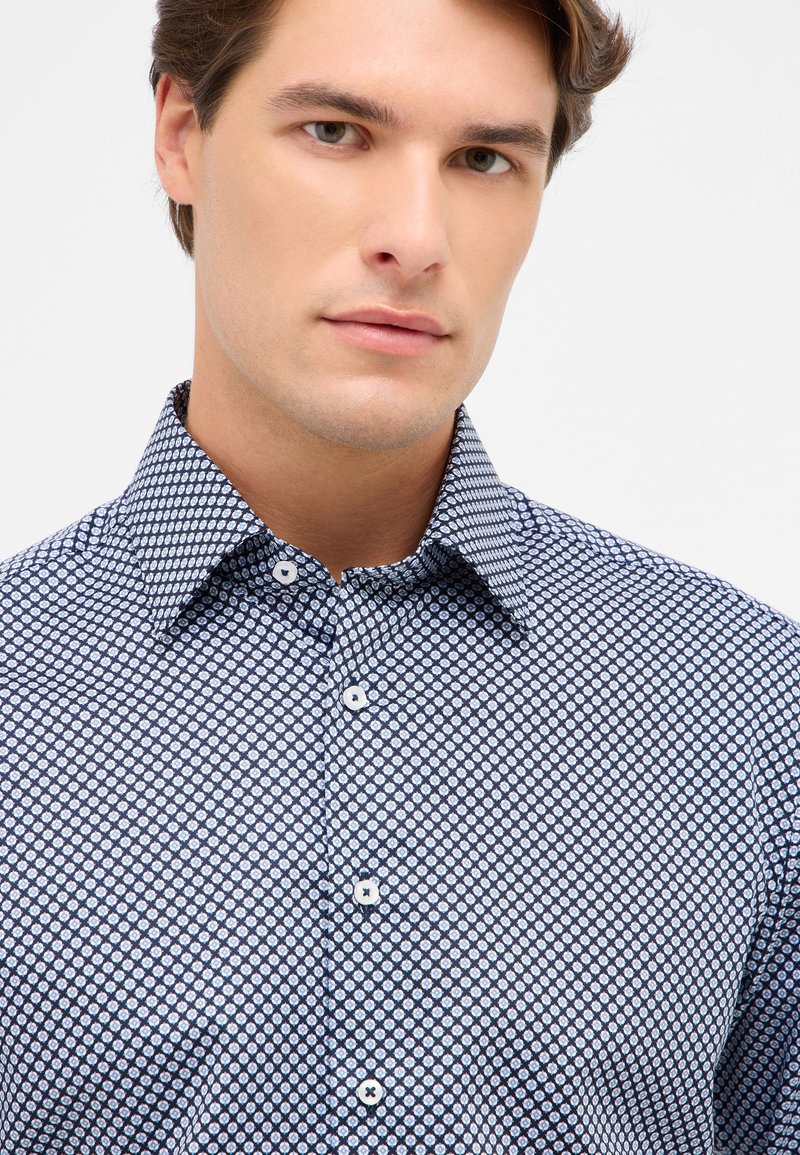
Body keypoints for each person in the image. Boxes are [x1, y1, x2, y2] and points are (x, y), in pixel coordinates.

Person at [0, 0, 796, 1150]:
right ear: (180, 134)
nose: (415, 237)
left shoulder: (749, 707)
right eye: (334, 131)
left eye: (482, 158)